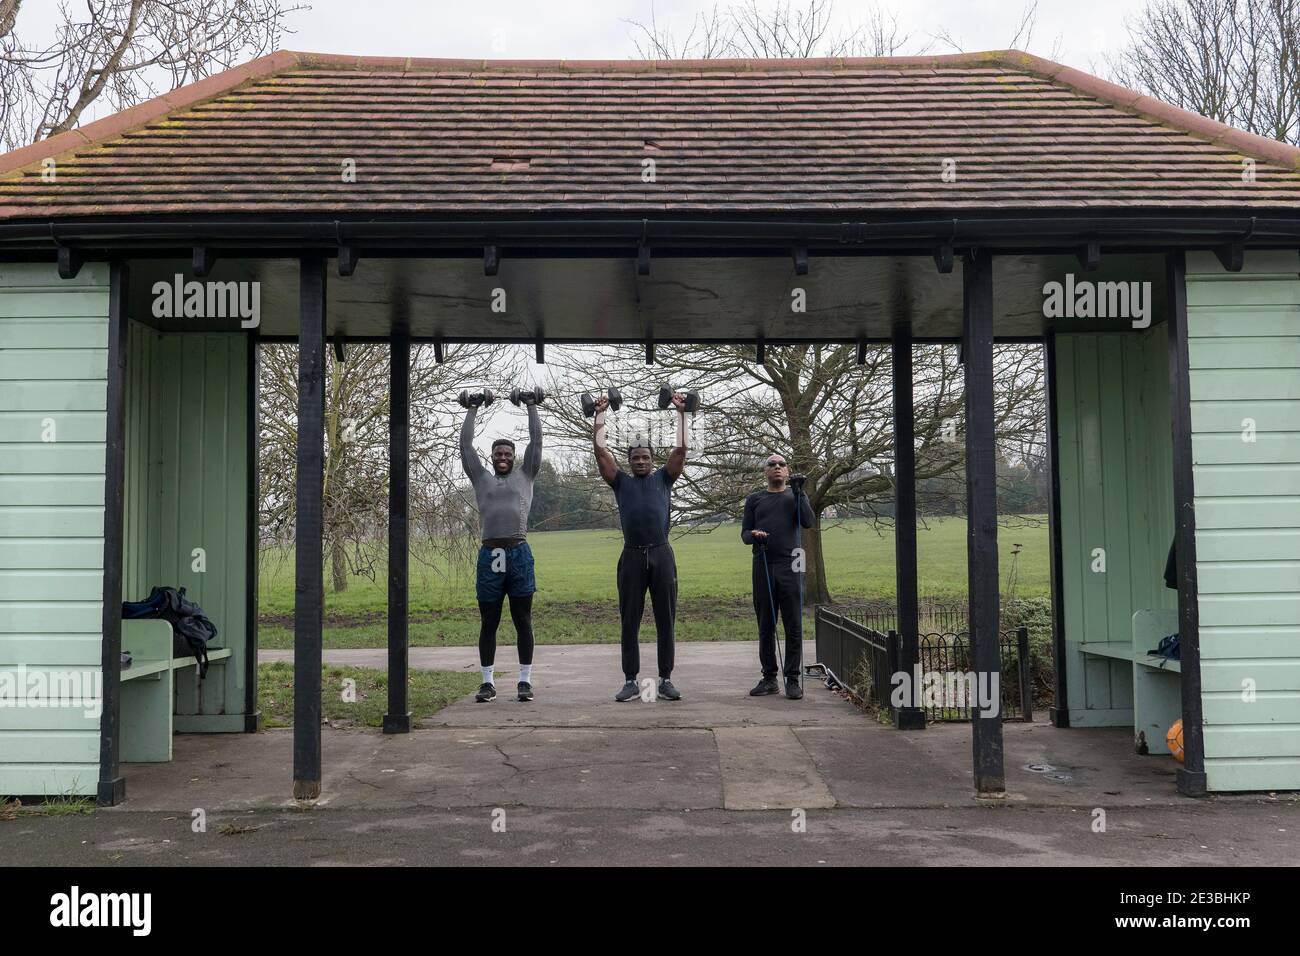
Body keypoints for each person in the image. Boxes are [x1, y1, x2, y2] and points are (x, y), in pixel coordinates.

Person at [592, 391, 687, 702]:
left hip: (661, 553)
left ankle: (666, 679)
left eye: (645, 457)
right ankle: (631, 680)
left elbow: (682, 448)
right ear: (630, 462)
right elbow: (600, 451)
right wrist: (600, 415)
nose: (641, 461)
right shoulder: (621, 482)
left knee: (665, 620)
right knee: (629, 620)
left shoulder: (665, 479)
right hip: (631, 556)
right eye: (636, 458)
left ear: (652, 460)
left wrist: (681, 413)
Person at [460, 392, 542, 703]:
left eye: (508, 452)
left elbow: (536, 441)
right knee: (489, 621)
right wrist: (473, 407)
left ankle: (524, 681)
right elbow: (466, 446)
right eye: (498, 453)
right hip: (490, 554)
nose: (503, 456)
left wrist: (531, 405)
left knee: (523, 619)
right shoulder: (481, 478)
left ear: (514, 456)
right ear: (492, 457)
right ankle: (487, 682)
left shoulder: (527, 475)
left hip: (519, 552)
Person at [742, 454, 815, 699]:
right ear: (765, 471)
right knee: (766, 624)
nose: (776, 467)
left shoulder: (795, 495)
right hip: (762, 562)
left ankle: (792, 679)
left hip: (791, 563)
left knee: (793, 623)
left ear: (788, 470)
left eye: (781, 464)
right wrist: (754, 535)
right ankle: (769, 678)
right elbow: (744, 533)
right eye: (771, 464)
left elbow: (808, 521)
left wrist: (800, 492)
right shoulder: (755, 499)